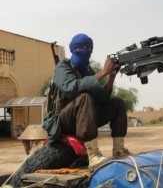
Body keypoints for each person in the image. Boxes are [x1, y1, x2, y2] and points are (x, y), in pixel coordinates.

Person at [47, 33, 130, 169]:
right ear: (73, 49)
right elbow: (71, 88)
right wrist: (103, 72)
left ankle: (119, 149)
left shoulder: (87, 70)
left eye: (89, 47)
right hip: (63, 121)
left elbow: (102, 98)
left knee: (117, 102)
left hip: (84, 118)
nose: (86, 50)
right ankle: (93, 155)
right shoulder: (62, 67)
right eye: (82, 47)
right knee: (84, 97)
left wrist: (111, 77)